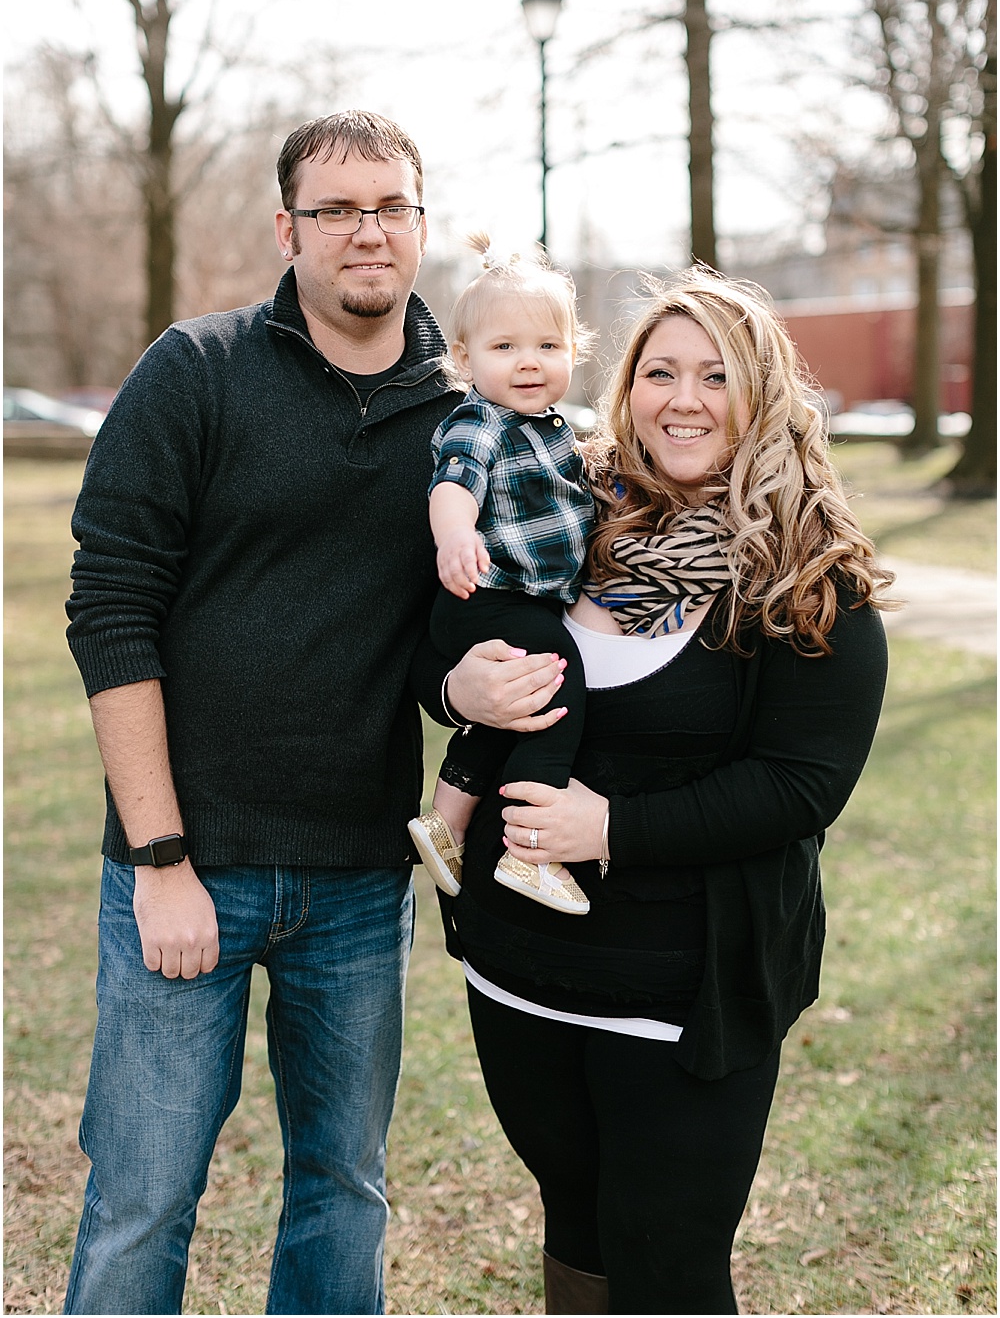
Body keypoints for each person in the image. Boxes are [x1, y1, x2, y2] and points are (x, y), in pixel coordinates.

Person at [60, 110, 563, 1317]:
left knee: (345, 1190)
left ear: (422, 227)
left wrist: (463, 690)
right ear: (288, 229)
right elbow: (111, 609)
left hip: (356, 880)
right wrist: (160, 859)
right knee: (143, 1198)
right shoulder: (197, 369)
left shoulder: (467, 417)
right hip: (189, 865)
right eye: (335, 209)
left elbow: (447, 636)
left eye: (390, 206)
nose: (365, 231)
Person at [423, 266, 893, 1316]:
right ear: (625, 385)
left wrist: (609, 827)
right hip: (518, 970)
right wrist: (457, 688)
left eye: (716, 376)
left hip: (684, 995)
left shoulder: (807, 574)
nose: (684, 399)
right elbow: (443, 638)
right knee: (576, 1227)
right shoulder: (564, 511)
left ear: (762, 393)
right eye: (660, 372)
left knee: (667, 1261)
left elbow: (800, 786)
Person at [409, 233, 595, 917]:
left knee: (507, 709)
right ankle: (530, 849)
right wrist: (455, 535)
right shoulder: (481, 421)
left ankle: (446, 821)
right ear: (465, 359)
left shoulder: (558, 429)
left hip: (518, 601)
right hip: (486, 594)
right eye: (505, 346)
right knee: (556, 689)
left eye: (548, 345)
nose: (529, 362)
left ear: (573, 351)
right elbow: (453, 483)